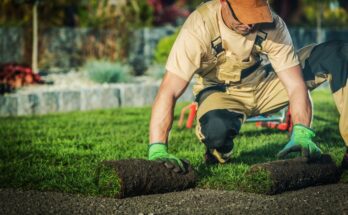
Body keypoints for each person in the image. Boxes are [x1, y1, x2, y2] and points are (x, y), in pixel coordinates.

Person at [147, 0, 334, 173]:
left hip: (261, 83)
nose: (249, 25)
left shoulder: (274, 24)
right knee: (216, 131)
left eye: (255, 16)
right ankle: (220, 151)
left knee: (335, 54)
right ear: (223, 2)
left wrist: (302, 132)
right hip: (220, 90)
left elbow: (295, 85)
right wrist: (158, 148)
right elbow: (169, 91)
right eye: (242, 15)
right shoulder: (199, 26)